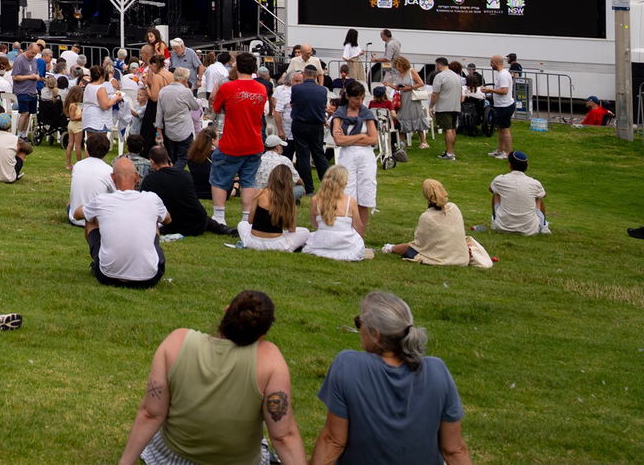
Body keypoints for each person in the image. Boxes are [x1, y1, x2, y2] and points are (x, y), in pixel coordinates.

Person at [116, 290, 306, 465]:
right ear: (263, 334)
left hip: (171, 459)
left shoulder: (177, 341)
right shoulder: (270, 359)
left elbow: (151, 414)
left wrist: (124, 463)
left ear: (226, 311)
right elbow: (283, 436)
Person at [312, 291, 471, 465]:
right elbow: (454, 450)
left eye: (359, 323)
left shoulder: (348, 365)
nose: (359, 329)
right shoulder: (437, 370)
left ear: (376, 333)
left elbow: (333, 441)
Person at [76, 157, 171, 288]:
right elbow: (167, 219)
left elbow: (77, 214)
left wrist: (91, 212)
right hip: (149, 278)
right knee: (155, 220)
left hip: (108, 276)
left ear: (113, 178)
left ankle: (101, 259)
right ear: (137, 177)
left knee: (90, 218)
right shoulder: (152, 199)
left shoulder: (102, 200)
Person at [209, 51, 269, 228]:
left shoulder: (228, 87)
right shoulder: (261, 89)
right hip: (254, 141)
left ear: (237, 67)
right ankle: (246, 218)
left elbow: (217, 107)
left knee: (219, 178)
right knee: (248, 181)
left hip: (232, 142)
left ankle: (219, 216)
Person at [138, 145, 233, 237]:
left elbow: (145, 206)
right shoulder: (185, 174)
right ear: (167, 158)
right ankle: (224, 229)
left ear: (152, 162)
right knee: (206, 220)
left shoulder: (150, 180)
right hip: (198, 221)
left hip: (175, 224)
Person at [382, 179, 469, 266]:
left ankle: (389, 248)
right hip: (462, 258)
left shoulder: (427, 217)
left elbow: (418, 245)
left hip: (441, 259)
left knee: (412, 251)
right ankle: (390, 247)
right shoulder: (454, 208)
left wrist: (392, 248)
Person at [330, 81, 379, 235]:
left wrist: (349, 138)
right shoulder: (339, 115)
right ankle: (346, 231)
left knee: (365, 192)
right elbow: (338, 140)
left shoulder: (367, 114)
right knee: (347, 191)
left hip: (366, 157)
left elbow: (373, 139)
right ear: (348, 97)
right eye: (356, 99)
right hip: (347, 155)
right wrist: (360, 136)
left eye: (361, 98)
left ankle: (360, 234)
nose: (359, 102)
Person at [238, 163, 309, 252]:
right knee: (305, 232)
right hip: (276, 244)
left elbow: (250, 220)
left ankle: (247, 242)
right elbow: (292, 229)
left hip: (253, 241)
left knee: (242, 224)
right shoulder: (288, 199)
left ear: (271, 177)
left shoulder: (260, 192)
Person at [304, 165, 368, 262]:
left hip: (322, 244)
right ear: (343, 182)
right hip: (346, 246)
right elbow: (358, 227)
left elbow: (315, 224)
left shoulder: (315, 199)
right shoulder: (350, 201)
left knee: (310, 235)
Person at [288, 63, 330, 193]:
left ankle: (309, 188)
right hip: (316, 125)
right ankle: (327, 186)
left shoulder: (296, 89)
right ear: (316, 76)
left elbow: (293, 103)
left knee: (303, 156)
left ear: (304, 75)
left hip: (300, 124)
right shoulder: (323, 90)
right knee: (319, 155)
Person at [490, 150, 549, 234]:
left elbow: (490, 189)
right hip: (530, 230)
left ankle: (495, 221)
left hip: (502, 227)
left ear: (510, 165)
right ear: (527, 166)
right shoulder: (535, 183)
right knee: (539, 197)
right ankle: (544, 227)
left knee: (496, 192)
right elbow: (544, 194)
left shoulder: (500, 180)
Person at [68, 131, 116, 227]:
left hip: (74, 217)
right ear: (106, 151)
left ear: (87, 149)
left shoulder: (78, 165)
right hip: (97, 220)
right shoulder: (109, 171)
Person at [0, 112, 31, 183]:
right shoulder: (15, 139)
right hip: (9, 177)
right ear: (10, 126)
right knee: (22, 152)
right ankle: (14, 173)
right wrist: (16, 151)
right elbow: (29, 149)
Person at [430, 57, 463, 159]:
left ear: (439, 64)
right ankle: (450, 151)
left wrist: (431, 106)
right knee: (452, 129)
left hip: (444, 106)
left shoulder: (440, 76)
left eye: (436, 65)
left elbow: (435, 93)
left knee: (448, 130)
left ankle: (449, 153)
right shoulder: (456, 76)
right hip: (455, 106)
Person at [484, 55, 515, 158]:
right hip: (501, 105)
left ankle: (508, 153)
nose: (490, 64)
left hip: (505, 106)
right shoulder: (502, 74)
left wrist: (490, 90)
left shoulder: (503, 75)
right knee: (501, 129)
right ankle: (500, 150)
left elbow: (504, 91)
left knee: (505, 129)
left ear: (496, 63)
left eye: (491, 62)